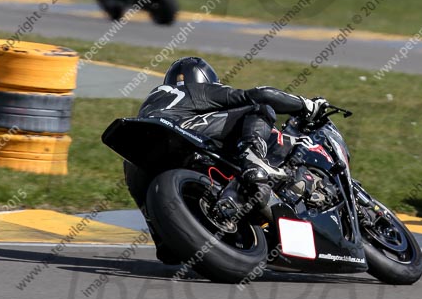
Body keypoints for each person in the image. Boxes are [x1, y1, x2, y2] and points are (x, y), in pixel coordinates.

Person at [124, 56, 327, 259]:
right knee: (260, 107)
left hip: (137, 157)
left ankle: (161, 237)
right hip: (181, 131)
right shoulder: (195, 90)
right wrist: (307, 105)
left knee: (144, 193)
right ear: (205, 79)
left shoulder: (154, 100)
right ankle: (253, 158)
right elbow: (261, 94)